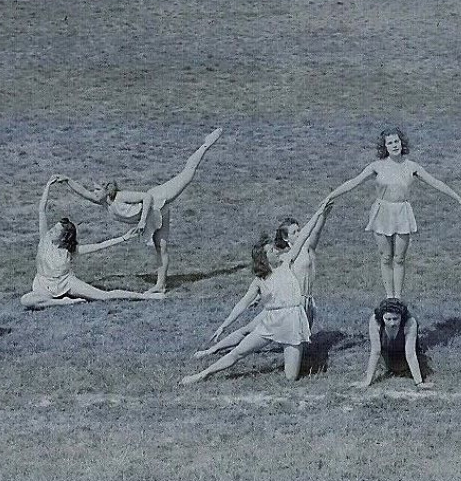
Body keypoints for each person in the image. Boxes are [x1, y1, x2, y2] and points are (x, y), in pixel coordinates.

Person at [184, 200, 333, 384]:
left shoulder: (287, 262)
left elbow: (305, 236)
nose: (277, 250)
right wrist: (223, 326)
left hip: (293, 320)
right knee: (238, 352)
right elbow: (242, 305)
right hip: (272, 320)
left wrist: (319, 212)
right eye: (272, 250)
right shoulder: (259, 280)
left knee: (291, 377)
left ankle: (298, 356)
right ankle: (201, 375)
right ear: (265, 257)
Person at [64, 126, 224, 294]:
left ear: (106, 190)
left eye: (97, 190)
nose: (94, 193)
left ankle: (206, 144)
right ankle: (161, 285)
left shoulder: (120, 196)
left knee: (187, 174)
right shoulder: (103, 202)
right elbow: (82, 192)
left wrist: (141, 222)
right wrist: (67, 180)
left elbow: (146, 197)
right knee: (161, 247)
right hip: (154, 216)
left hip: (157, 199)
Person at [323, 127, 461, 299]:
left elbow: (435, 182)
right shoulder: (376, 166)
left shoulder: (412, 167)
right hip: (382, 213)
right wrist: (330, 196)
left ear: (402, 143)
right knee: (386, 257)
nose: (394, 145)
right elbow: (353, 182)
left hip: (402, 212)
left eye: (396, 141)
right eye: (390, 143)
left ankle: (398, 298)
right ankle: (389, 297)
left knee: (400, 258)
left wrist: (458, 198)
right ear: (384, 146)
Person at [20, 176, 162, 308]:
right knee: (26, 300)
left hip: (66, 283)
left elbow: (100, 246)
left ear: (64, 237)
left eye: (55, 231)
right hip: (43, 285)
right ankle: (62, 302)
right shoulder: (44, 240)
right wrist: (48, 186)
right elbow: (41, 210)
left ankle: (147, 297)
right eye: (52, 229)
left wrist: (123, 238)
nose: (50, 231)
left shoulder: (70, 250)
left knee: (104, 296)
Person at [355, 298, 430, 389]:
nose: (392, 323)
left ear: (401, 316)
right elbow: (375, 352)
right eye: (388, 319)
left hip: (404, 361)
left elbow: (411, 354)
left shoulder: (410, 322)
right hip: (386, 360)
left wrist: (419, 383)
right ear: (382, 317)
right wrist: (367, 382)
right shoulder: (375, 321)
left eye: (395, 319)